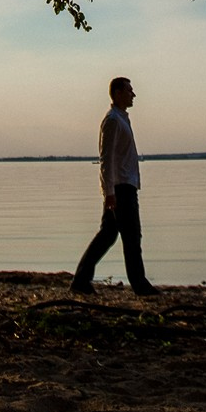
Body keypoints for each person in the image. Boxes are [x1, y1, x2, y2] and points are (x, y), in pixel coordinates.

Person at [70, 76, 159, 295]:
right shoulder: (112, 121)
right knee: (131, 236)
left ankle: (80, 280)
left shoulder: (121, 119)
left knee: (108, 234)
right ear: (118, 93)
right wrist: (109, 193)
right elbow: (106, 160)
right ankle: (139, 284)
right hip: (120, 188)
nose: (133, 94)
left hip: (124, 185)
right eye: (129, 90)